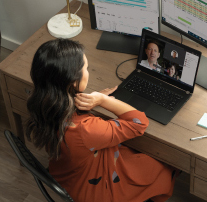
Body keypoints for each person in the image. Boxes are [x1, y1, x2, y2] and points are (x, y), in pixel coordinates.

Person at [25, 39, 178, 202]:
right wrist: (104, 101)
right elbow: (139, 123)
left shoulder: (42, 103)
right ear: (72, 81)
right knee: (164, 165)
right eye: (86, 68)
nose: (88, 72)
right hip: (94, 190)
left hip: (67, 174)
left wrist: (93, 98)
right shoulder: (85, 130)